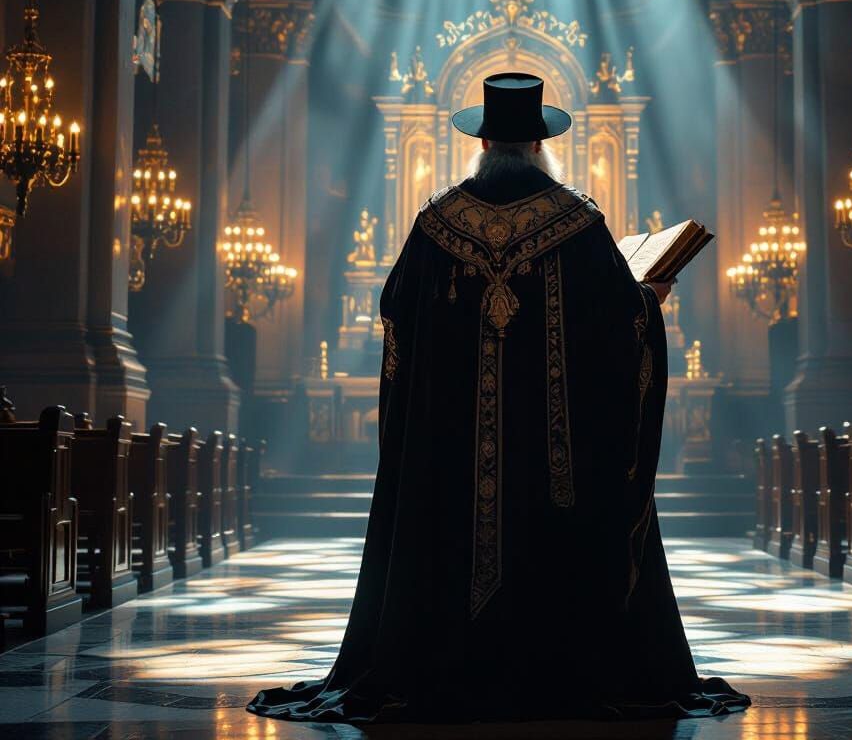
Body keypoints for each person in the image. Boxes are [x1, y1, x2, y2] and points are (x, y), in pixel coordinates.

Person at [248, 73, 750, 724]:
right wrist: (647, 305)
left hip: (448, 469)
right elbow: (626, 330)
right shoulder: (580, 223)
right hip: (556, 478)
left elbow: (396, 314)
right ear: (540, 144)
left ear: (482, 139)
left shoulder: (436, 224)